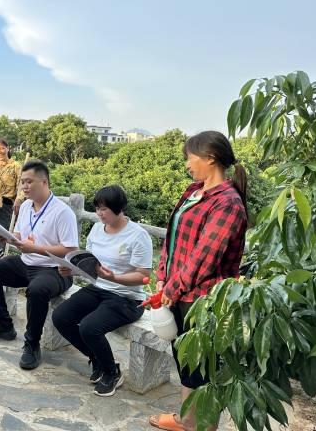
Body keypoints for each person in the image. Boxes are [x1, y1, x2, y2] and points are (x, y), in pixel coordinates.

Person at [149, 131, 247, 431]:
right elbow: (173, 238)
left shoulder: (228, 203)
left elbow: (205, 257)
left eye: (190, 158)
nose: (187, 165)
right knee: (187, 362)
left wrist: (173, 287)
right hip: (178, 292)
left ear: (210, 158)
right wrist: (163, 276)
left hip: (203, 299)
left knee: (203, 369)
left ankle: (201, 426)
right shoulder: (194, 190)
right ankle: (186, 419)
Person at [0, 160, 79, 370]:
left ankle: (32, 344)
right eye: (22, 182)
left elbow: (70, 249)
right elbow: (20, 235)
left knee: (37, 290)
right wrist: (8, 237)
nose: (24, 186)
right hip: (26, 262)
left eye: (29, 181)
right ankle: (3, 324)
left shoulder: (62, 212)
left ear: (44, 182)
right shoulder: (25, 206)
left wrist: (35, 248)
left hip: (55, 269)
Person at [52, 185, 152, 397]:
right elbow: (90, 265)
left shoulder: (138, 235)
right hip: (99, 288)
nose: (99, 213)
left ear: (119, 208)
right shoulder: (97, 229)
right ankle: (98, 359)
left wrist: (114, 278)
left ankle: (111, 372)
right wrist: (71, 270)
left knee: (89, 327)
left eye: (104, 209)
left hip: (127, 297)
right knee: (61, 317)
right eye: (97, 208)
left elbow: (144, 276)